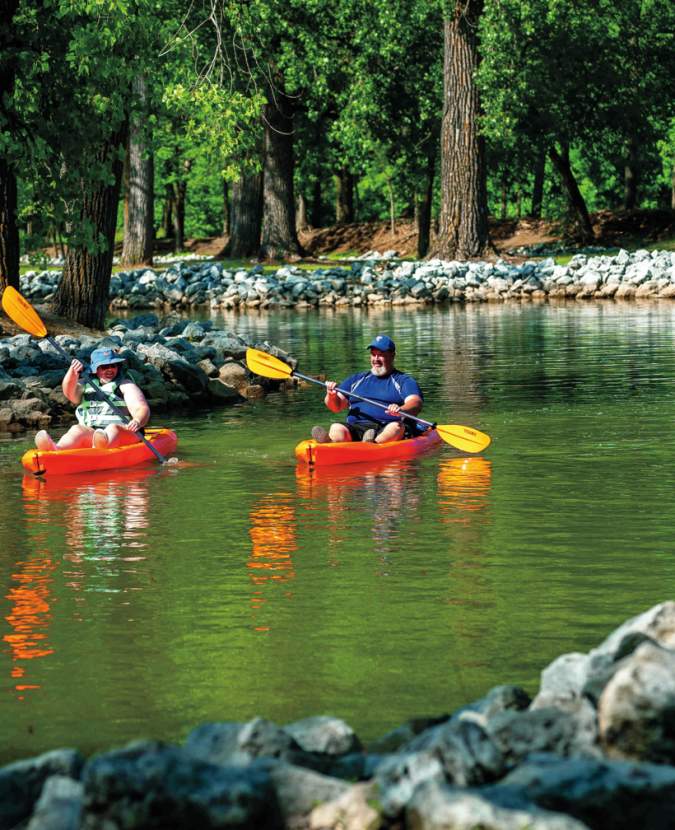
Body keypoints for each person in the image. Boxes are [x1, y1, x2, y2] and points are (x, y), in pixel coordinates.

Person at [311, 334, 424, 444]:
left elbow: (415, 403)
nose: (376, 359)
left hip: (385, 427)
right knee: (336, 427)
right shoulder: (357, 379)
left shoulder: (403, 381)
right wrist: (331, 395)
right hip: (357, 427)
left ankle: (371, 444)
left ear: (392, 356)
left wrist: (401, 410)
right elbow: (336, 407)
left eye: (380, 355)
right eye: (373, 354)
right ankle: (329, 442)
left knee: (396, 427)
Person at [35, 347, 150, 451]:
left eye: (113, 366)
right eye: (104, 367)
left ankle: (101, 447)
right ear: (95, 369)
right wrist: (73, 372)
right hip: (95, 434)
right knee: (77, 429)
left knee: (112, 428)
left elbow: (141, 407)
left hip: (125, 433)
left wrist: (137, 421)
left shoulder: (126, 385)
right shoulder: (85, 385)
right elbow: (69, 393)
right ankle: (56, 449)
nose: (110, 369)